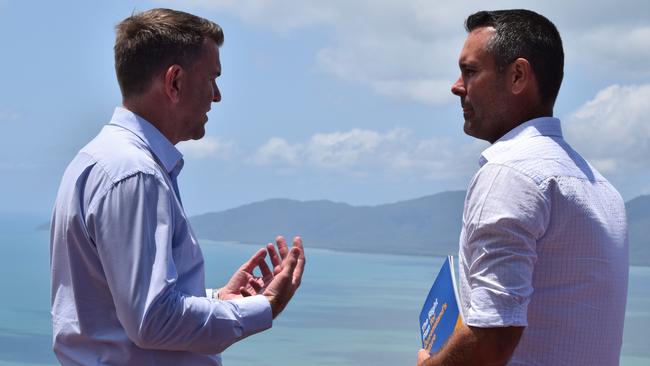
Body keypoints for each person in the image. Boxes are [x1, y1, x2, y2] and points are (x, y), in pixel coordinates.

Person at [50, 8, 305, 365]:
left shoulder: (101, 160)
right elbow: (152, 321)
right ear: (174, 82)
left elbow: (126, 306)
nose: (216, 96)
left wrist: (219, 300)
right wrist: (262, 308)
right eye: (211, 79)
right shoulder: (136, 173)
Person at [417, 9, 628, 366]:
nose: (456, 86)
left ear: (517, 75)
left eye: (470, 71)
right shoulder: (604, 190)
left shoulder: (509, 172)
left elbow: (493, 337)